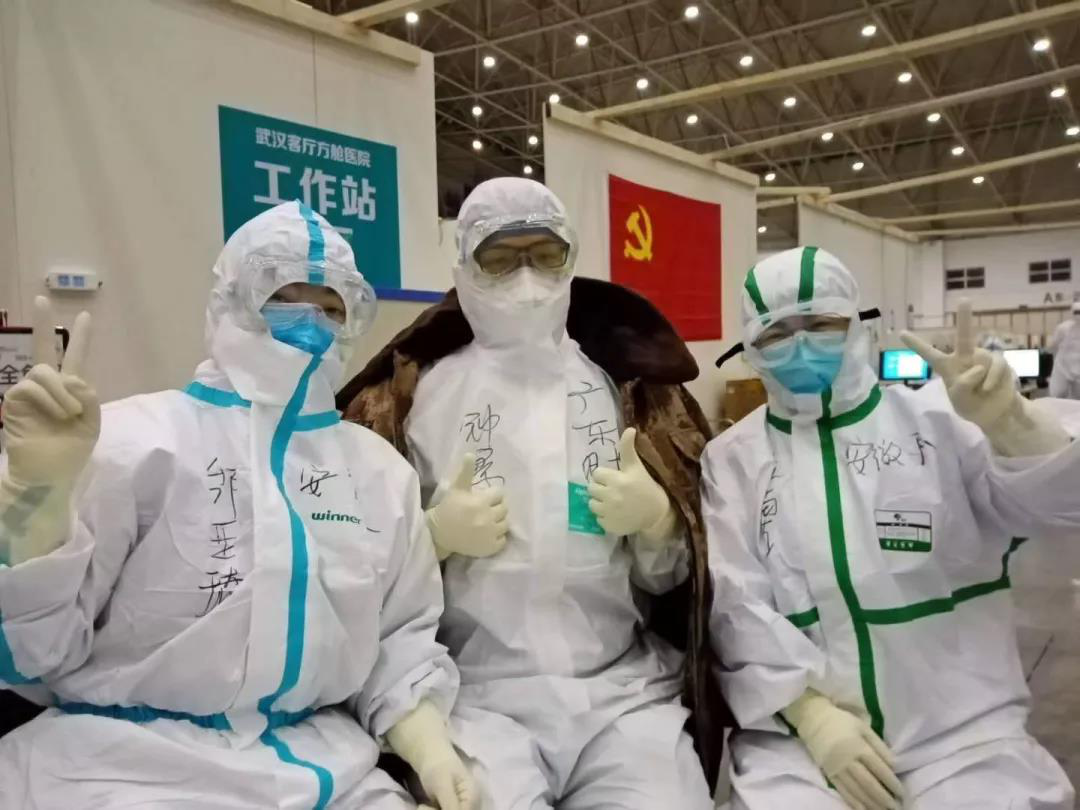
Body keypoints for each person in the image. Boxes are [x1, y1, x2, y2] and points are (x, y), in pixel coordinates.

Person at [0, 201, 475, 810]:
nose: (311, 324)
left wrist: (431, 751)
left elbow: (398, 642)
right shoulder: (135, 443)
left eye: (331, 308)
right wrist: (36, 496)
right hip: (121, 766)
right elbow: (27, 654)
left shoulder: (378, 473)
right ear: (229, 301)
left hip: (325, 770)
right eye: (285, 299)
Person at [336, 177, 721, 809]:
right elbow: (357, 571)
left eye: (545, 255)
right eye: (500, 257)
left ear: (572, 259)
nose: (527, 278)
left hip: (622, 695)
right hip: (475, 700)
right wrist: (429, 539)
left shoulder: (630, 390)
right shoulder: (412, 400)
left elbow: (674, 582)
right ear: (463, 268)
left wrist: (660, 526)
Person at [702, 246, 1079, 810]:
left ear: (860, 324)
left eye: (822, 324)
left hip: (963, 735)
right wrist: (811, 716)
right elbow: (735, 604)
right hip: (801, 746)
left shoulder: (941, 421)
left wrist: (1013, 424)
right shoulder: (733, 458)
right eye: (776, 333)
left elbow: (1057, 507)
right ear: (749, 351)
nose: (801, 346)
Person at [1048, 301, 1080, 398]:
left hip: (1078, 369)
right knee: (1057, 394)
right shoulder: (1063, 328)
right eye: (1076, 312)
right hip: (1062, 367)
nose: (1078, 315)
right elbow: (1053, 346)